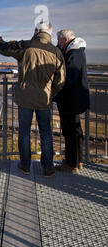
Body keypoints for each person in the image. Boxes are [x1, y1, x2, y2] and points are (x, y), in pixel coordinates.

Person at [0, 21, 65, 178]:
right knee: (46, 133)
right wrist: (51, 94)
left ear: (37, 30)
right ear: (49, 33)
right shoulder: (56, 52)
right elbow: (61, 80)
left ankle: (25, 165)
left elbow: (4, 49)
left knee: (24, 132)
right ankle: (48, 167)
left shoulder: (26, 46)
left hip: (25, 97)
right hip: (44, 99)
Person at [53, 29, 90, 173]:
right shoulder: (76, 51)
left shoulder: (73, 54)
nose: (58, 42)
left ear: (65, 39)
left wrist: (57, 90)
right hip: (75, 98)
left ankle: (71, 163)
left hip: (70, 99)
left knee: (69, 131)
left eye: (59, 40)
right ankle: (78, 160)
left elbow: (70, 77)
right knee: (76, 130)